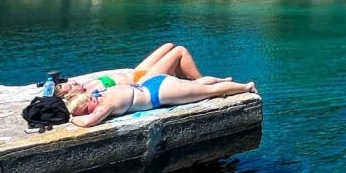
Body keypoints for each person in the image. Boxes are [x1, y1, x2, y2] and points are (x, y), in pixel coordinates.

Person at [62, 44, 257, 128]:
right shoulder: (99, 93)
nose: (89, 111)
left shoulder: (106, 106)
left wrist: (72, 119)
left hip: (159, 92)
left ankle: (246, 87)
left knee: (210, 92)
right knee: (198, 85)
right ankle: (224, 81)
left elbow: (88, 122)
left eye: (86, 109)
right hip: (150, 85)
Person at [56, 42, 206, 92]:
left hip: (136, 73)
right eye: (67, 87)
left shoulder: (85, 85)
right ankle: (202, 81)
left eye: (66, 83)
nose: (70, 83)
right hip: (143, 81)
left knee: (169, 46)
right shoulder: (90, 93)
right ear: (69, 95)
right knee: (180, 51)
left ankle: (184, 81)